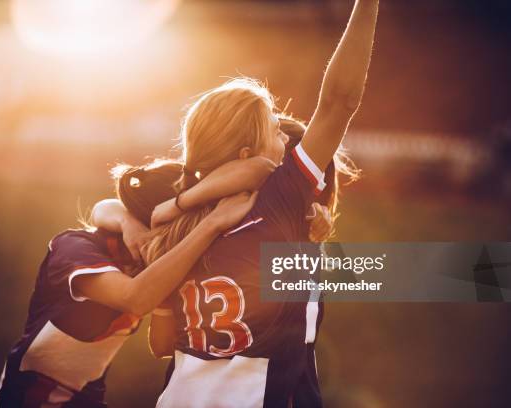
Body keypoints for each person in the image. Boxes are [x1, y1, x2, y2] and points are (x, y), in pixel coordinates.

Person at [131, 1, 379, 406]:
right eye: (273, 128)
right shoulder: (277, 199)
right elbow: (339, 101)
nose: (285, 135)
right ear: (247, 152)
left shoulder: (175, 216)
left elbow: (161, 343)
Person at [0, 159, 266, 408]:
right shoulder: (74, 248)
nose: (186, 242)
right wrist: (212, 225)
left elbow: (161, 345)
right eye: (181, 232)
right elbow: (135, 298)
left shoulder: (148, 263)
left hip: (87, 400)